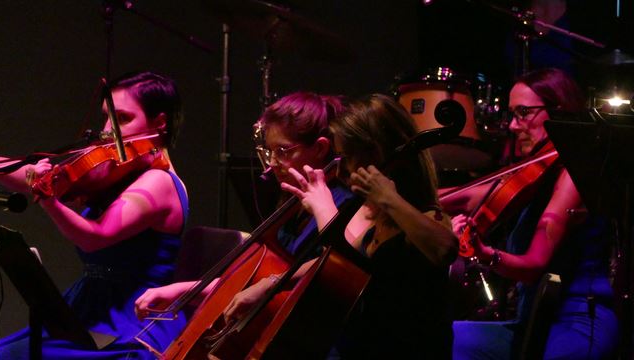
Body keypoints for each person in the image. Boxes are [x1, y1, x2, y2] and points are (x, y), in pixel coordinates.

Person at [221, 94, 458, 358]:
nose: (341, 167)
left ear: (375, 154)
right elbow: (338, 260)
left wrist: (384, 199)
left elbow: (445, 249)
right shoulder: (366, 210)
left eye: (346, 156)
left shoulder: (423, 216)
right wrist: (272, 283)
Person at [0, 71, 189, 359]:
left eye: (122, 119)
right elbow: (36, 176)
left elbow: (96, 238)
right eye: (106, 118)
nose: (108, 130)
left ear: (159, 123)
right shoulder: (120, 171)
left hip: (131, 319)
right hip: (89, 307)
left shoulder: (158, 182)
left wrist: (48, 200)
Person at [134, 91, 353, 320]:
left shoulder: (342, 204)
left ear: (320, 148)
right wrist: (182, 291)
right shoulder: (290, 210)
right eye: (270, 152)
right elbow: (250, 281)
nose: (272, 164)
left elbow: (339, 263)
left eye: (283, 151)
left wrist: (271, 284)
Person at [449, 68, 619, 359]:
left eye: (523, 112)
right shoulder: (531, 179)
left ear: (558, 111)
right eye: (512, 114)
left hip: (576, 322)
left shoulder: (573, 175)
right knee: (446, 337)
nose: (514, 126)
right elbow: (462, 198)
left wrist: (484, 252)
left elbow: (533, 266)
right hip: (533, 321)